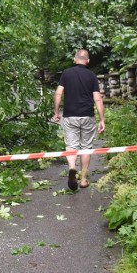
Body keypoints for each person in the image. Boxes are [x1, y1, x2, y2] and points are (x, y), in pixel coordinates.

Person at [51, 49, 106, 190]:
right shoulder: (92, 75)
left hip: (70, 116)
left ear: (75, 60)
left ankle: (71, 168)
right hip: (87, 115)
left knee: (71, 146)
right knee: (86, 147)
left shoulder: (66, 73)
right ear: (87, 61)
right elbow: (97, 98)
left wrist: (57, 112)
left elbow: (58, 93)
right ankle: (83, 180)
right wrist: (102, 119)